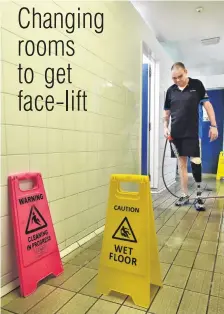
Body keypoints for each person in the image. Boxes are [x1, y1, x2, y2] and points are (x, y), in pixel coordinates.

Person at [163, 62, 218, 210]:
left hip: (193, 133)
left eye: (180, 76)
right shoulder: (170, 91)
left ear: (186, 72)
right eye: (174, 78)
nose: (177, 80)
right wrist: (165, 127)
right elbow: (167, 112)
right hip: (176, 135)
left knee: (195, 162)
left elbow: (208, 105)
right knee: (181, 165)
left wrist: (214, 125)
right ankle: (185, 194)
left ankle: (199, 197)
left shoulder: (197, 85)